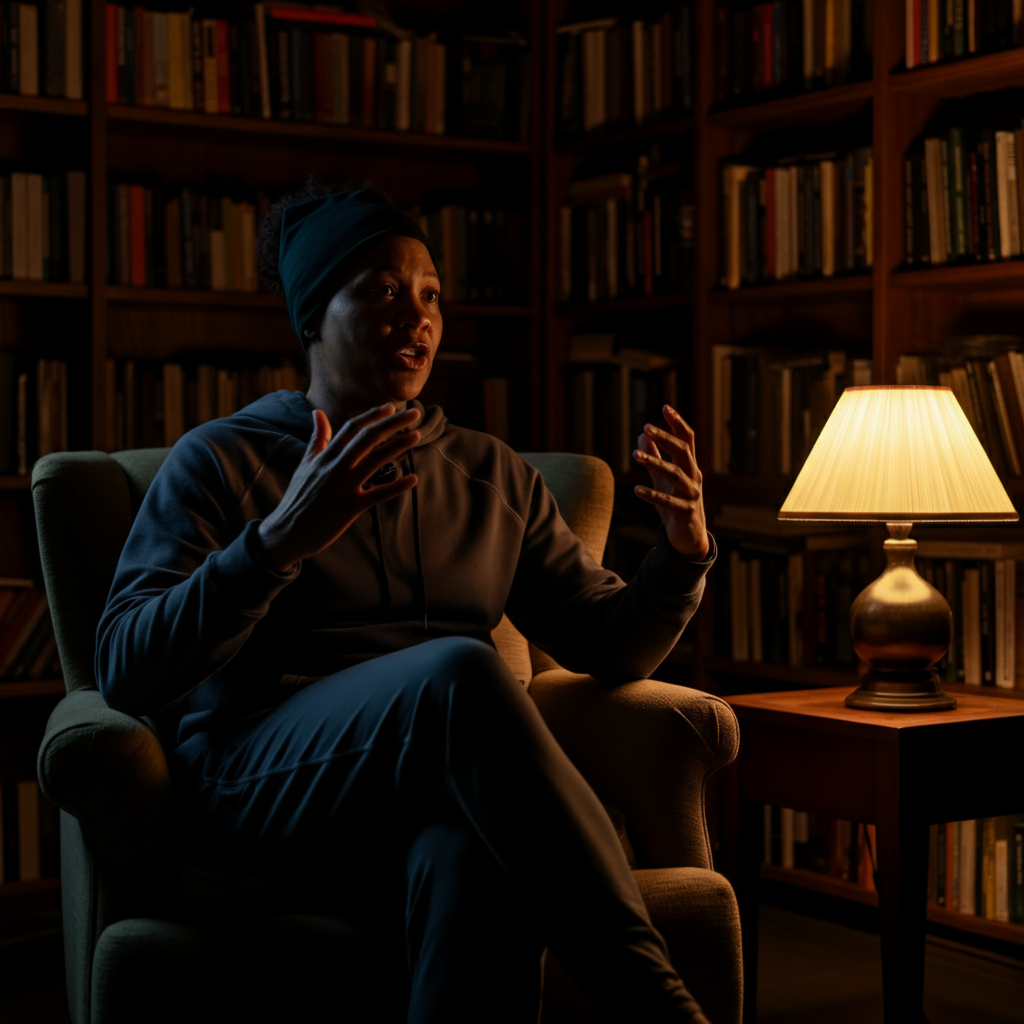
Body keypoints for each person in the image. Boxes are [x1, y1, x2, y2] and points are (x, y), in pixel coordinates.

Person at [95, 181, 719, 1024]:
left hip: (439, 789)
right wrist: (277, 541)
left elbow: (610, 645)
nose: (417, 316)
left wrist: (682, 553)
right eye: (384, 290)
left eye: (430, 295)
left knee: (481, 863)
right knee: (459, 672)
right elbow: (127, 669)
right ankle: (660, 1007)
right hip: (260, 780)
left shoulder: (489, 472)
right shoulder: (222, 459)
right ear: (314, 317)